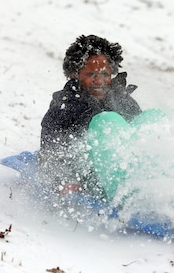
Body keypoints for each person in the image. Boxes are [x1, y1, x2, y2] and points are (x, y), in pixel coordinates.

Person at [38, 35, 142, 200]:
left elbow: (141, 134)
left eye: (105, 74)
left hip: (137, 174)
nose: (99, 81)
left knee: (153, 118)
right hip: (93, 181)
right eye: (91, 74)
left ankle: (165, 188)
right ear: (74, 73)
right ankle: (130, 197)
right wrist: (65, 181)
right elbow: (50, 152)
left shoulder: (120, 99)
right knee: (107, 122)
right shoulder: (65, 107)